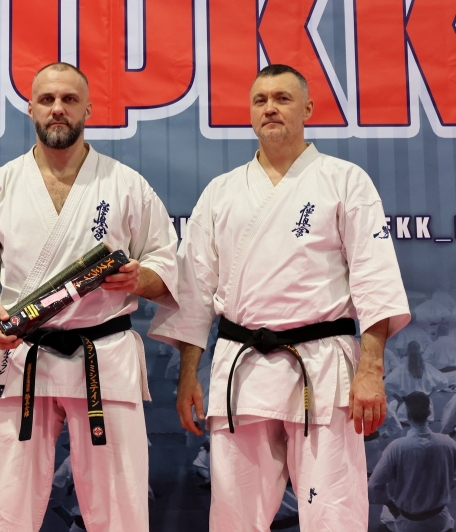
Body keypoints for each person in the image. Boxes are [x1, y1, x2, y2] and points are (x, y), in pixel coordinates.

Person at [149, 64, 410, 530]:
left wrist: (371, 369)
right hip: (241, 369)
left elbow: (375, 278)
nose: (270, 108)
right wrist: (189, 374)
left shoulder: (345, 181)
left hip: (322, 368)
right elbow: (195, 292)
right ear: (251, 113)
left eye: (283, 98)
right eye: (260, 100)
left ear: (307, 109)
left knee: (332, 512)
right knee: (234, 515)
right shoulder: (221, 192)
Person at [0, 62, 178, 531]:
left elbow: (166, 263)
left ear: (88, 109)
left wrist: (139, 279)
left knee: (120, 511)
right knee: (8, 510)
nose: (58, 109)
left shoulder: (126, 185)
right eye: (47, 99)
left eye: (69, 100)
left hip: (103, 354)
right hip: (22, 353)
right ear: (30, 108)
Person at [369, 392, 456, 532]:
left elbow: (373, 486)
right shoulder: (448, 443)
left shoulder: (396, 447)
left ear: (408, 415)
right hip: (439, 519)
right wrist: (446, 484)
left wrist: (391, 506)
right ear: (429, 413)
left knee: (384, 520)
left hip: (408, 521)